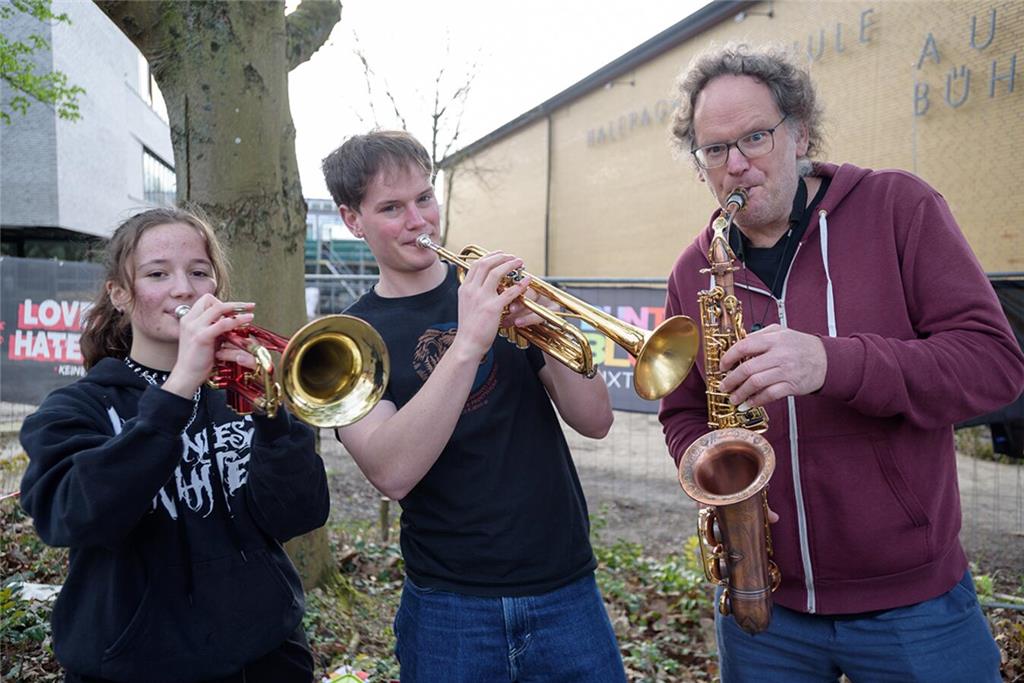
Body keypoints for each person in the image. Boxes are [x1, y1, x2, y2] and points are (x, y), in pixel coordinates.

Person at [659, 43, 1024, 682]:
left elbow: (994, 365)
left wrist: (835, 363)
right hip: (762, 603)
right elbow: (684, 411)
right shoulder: (694, 270)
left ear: (800, 133)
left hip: (915, 607)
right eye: (714, 150)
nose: (736, 166)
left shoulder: (898, 208)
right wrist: (714, 476)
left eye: (755, 138)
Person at [321, 130, 626, 681]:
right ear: (352, 220)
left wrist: (546, 333)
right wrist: (469, 342)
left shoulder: (496, 294)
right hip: (449, 607)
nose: (419, 221)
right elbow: (391, 472)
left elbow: (596, 420)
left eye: (424, 198)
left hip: (565, 588)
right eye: (391, 208)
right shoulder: (350, 339)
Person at [18, 207, 330, 683]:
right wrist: (179, 386)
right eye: (158, 273)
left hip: (266, 659)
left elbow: (299, 515)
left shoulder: (242, 396)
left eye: (199, 272)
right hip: (135, 667)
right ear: (120, 295)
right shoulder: (73, 409)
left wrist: (273, 416)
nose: (183, 288)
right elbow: (71, 517)